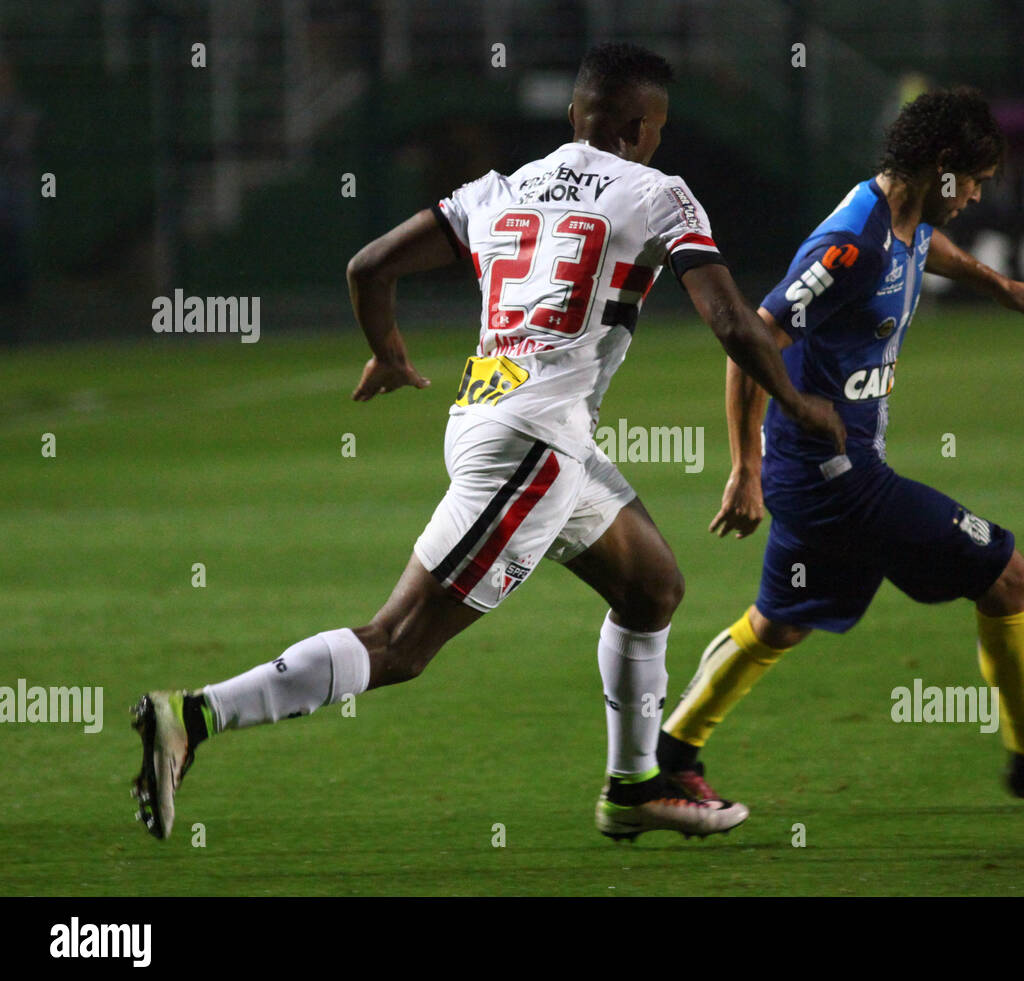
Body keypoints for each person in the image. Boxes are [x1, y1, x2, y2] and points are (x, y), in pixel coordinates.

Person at [130, 43, 844, 843]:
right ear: (647, 128)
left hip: (509, 426)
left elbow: (369, 267)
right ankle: (193, 714)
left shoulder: (497, 190)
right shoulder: (659, 193)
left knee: (652, 588)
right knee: (398, 644)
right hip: (534, 447)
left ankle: (635, 785)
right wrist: (795, 402)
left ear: (576, 115)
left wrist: (391, 352)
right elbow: (728, 319)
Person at [656, 86, 1024, 804]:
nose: (977, 196)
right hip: (834, 476)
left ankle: (671, 750)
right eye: (975, 181)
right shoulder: (853, 240)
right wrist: (744, 468)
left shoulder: (903, 217)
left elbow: (927, 247)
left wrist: (1001, 286)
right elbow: (750, 340)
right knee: (1008, 576)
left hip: (827, 473)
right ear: (943, 166)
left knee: (781, 622)